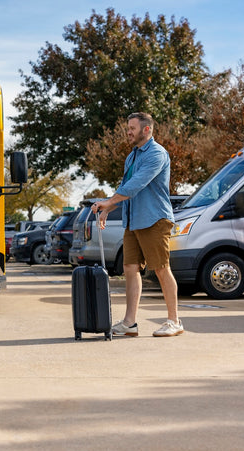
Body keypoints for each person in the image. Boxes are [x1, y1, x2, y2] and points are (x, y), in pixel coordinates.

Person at [91, 112, 183, 337]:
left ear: (147, 130)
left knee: (161, 269)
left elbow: (138, 185)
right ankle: (129, 323)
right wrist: (109, 208)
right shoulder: (131, 157)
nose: (128, 132)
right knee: (130, 269)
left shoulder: (156, 154)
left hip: (154, 219)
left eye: (132, 128)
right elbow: (126, 186)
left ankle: (174, 321)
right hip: (133, 221)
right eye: (128, 128)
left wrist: (109, 202)